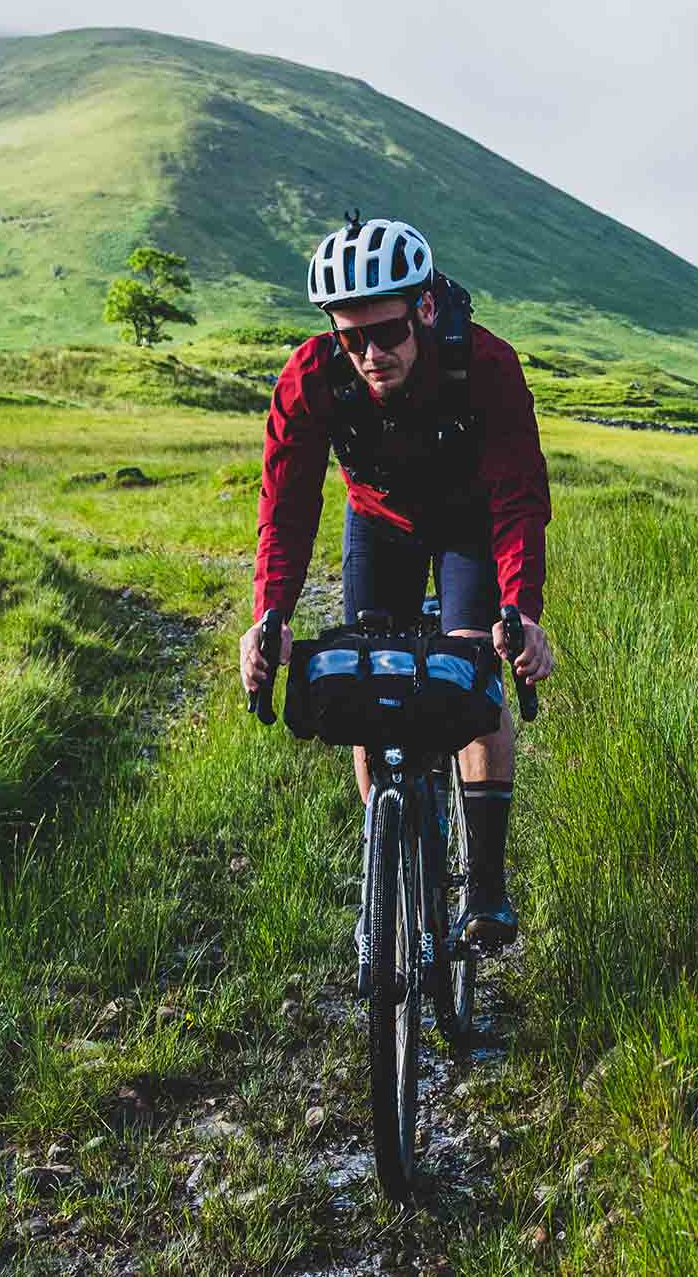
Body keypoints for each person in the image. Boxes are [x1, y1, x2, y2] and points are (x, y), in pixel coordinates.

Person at [239, 214, 553, 946]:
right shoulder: (311, 377)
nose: (371, 355)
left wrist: (523, 611)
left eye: (386, 332)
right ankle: (393, 879)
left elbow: (517, 498)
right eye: (351, 338)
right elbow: (285, 504)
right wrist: (270, 615)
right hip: (379, 521)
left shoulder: (485, 365)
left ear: (426, 309)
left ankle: (485, 887)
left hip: (468, 521)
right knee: (366, 676)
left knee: (473, 672)